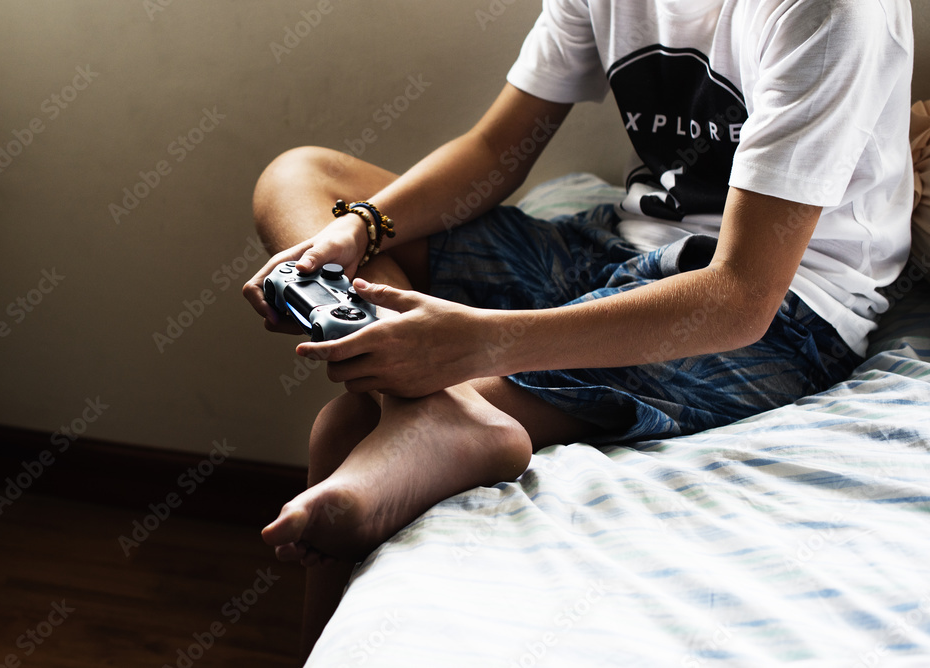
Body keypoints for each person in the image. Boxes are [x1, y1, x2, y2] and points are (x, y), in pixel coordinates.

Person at [243, 0, 914, 659]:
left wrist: (479, 341)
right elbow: (493, 149)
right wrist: (361, 230)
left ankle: (423, 402)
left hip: (780, 308)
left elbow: (742, 296)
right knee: (305, 177)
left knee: (344, 430)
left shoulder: (831, 11)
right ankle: (427, 401)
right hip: (610, 247)